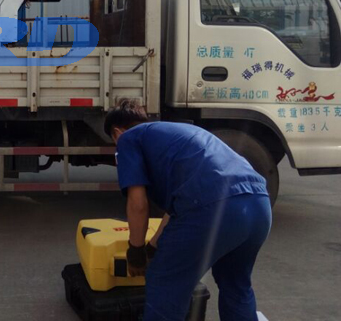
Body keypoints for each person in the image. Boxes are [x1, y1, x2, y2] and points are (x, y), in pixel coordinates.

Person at [105, 99, 272, 321]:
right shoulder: (175, 133)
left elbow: (138, 204)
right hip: (259, 204)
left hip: (213, 207)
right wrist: (153, 246)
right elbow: (176, 209)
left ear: (117, 132)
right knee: (235, 284)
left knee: (164, 281)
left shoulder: (128, 139)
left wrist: (135, 251)